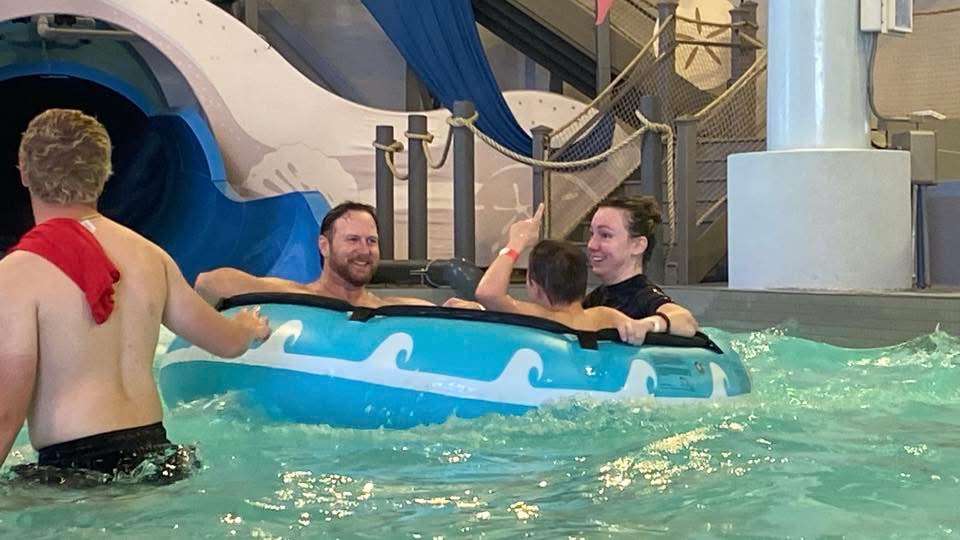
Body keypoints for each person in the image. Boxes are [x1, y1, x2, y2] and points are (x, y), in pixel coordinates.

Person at [0, 109, 271, 485]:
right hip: (158, 462)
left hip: (74, 474)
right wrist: (248, 327)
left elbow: (6, 413)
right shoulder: (151, 256)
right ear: (104, 173)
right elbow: (226, 344)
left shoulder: (18, 273)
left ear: (24, 173)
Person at [195, 201, 447, 308]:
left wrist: (455, 308)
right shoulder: (297, 296)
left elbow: (439, 313)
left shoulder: (383, 308)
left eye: (371, 241)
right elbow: (208, 284)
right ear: (324, 246)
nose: (364, 250)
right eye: (353, 240)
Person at [473, 205, 654, 345]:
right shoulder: (605, 316)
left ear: (534, 286)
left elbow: (488, 293)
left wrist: (516, 242)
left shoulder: (539, 318)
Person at [584, 196, 699, 337]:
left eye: (605, 235)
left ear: (638, 245)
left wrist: (646, 325)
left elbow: (686, 321)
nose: (592, 245)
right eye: (592, 234)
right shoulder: (597, 298)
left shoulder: (643, 297)